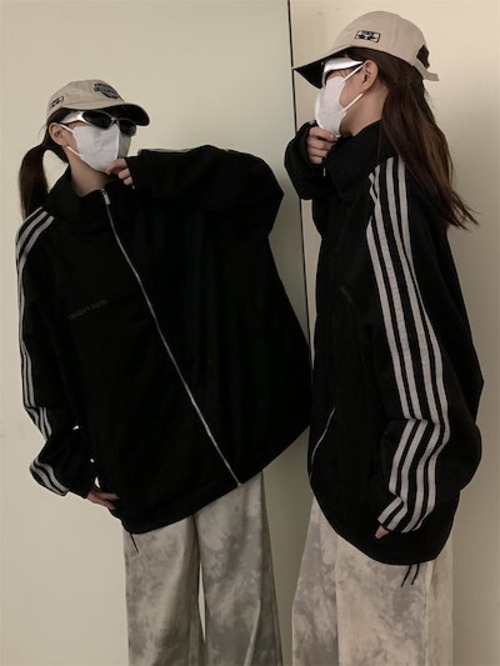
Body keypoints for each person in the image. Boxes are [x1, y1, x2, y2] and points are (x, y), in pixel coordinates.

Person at [17, 78, 311, 666]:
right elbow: (40, 358)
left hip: (225, 450)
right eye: (102, 122)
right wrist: (68, 463)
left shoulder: (167, 195)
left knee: (247, 630)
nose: (118, 134)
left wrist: (167, 173)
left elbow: (260, 189)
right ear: (60, 134)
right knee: (161, 640)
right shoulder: (43, 241)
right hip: (141, 471)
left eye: (125, 124)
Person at [285, 11, 482, 665]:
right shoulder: (363, 181)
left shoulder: (386, 190)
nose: (323, 90)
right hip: (349, 481)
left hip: (386, 501)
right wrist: (309, 158)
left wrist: (403, 498)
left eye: (329, 76)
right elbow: (335, 220)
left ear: (365, 74)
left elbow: (418, 350)